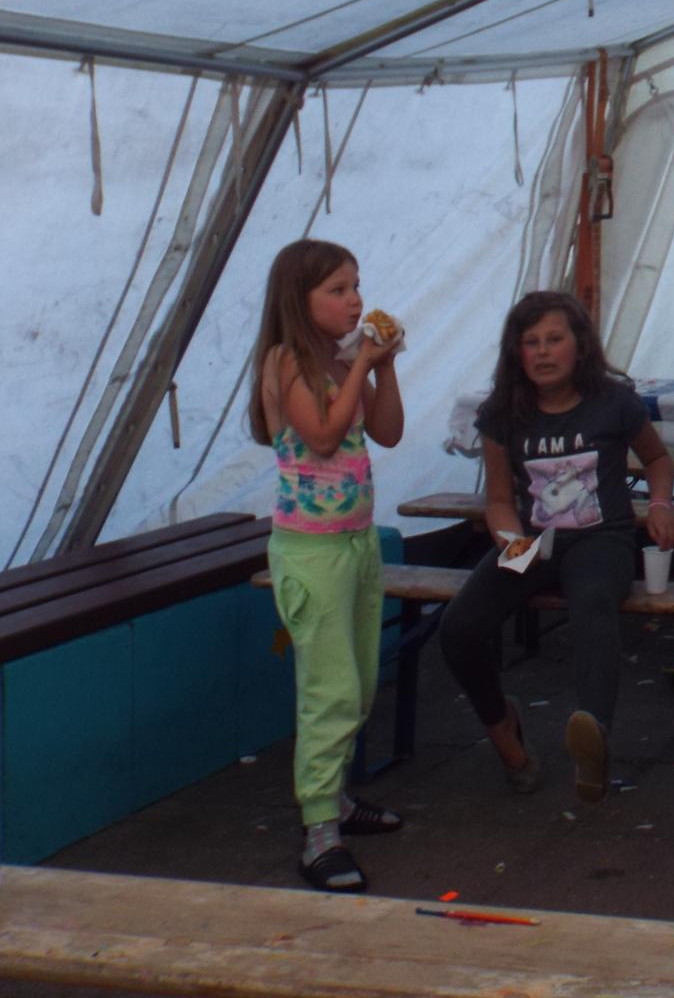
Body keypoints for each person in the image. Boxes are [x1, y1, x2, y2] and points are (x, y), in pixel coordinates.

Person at [439, 292, 674, 803]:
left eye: (554, 339)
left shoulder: (614, 402)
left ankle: (594, 737)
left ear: (580, 345)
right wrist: (512, 543)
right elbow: (499, 500)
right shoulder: (502, 413)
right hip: (531, 541)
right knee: (458, 627)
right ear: (516, 352)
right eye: (531, 342)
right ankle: (503, 727)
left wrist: (660, 506)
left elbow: (658, 460)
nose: (544, 352)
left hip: (602, 538)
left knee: (592, 602)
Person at [248, 239, 405, 894]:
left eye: (356, 286)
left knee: (360, 683)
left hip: (355, 544)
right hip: (311, 553)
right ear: (299, 299)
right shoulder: (287, 361)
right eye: (338, 289)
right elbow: (321, 436)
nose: (355, 300)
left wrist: (383, 369)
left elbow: (387, 431)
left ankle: (335, 797)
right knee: (329, 691)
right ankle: (318, 831)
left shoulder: (343, 360)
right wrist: (363, 358)